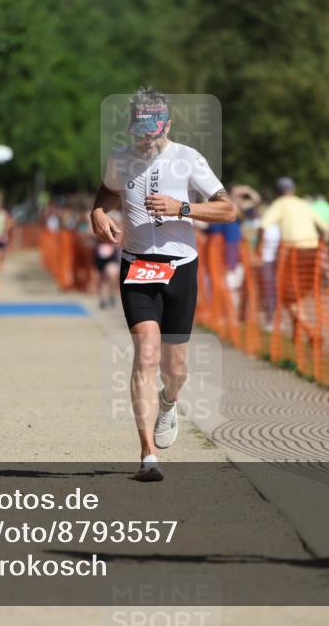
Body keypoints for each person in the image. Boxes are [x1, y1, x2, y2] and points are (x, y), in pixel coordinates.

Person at [91, 87, 236, 481]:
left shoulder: (187, 158)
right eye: (140, 130)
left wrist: (183, 208)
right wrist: (98, 213)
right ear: (131, 125)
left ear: (167, 125)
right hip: (136, 267)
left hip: (180, 268)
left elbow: (228, 208)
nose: (147, 138)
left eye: (154, 131)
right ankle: (148, 456)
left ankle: (168, 403)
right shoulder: (120, 158)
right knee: (147, 355)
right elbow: (107, 192)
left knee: (176, 368)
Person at [258, 177, 329, 340]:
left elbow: (262, 226)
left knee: (285, 294)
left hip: (293, 252)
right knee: (298, 294)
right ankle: (297, 334)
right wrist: (323, 248)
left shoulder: (279, 204)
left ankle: (309, 330)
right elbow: (326, 229)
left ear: (278, 192)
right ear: (293, 190)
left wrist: (258, 247)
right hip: (312, 252)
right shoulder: (304, 204)